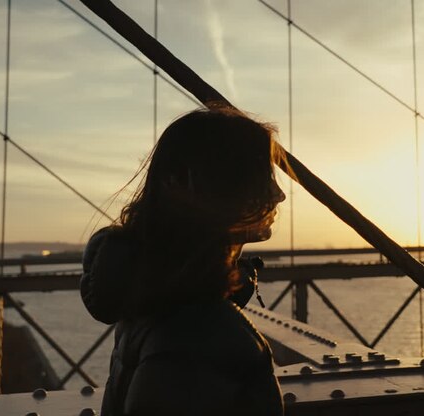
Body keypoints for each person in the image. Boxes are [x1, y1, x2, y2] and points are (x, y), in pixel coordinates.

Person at [80, 106, 288, 415]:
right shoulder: (200, 333)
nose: (278, 194)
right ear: (207, 187)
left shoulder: (156, 297)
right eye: (260, 177)